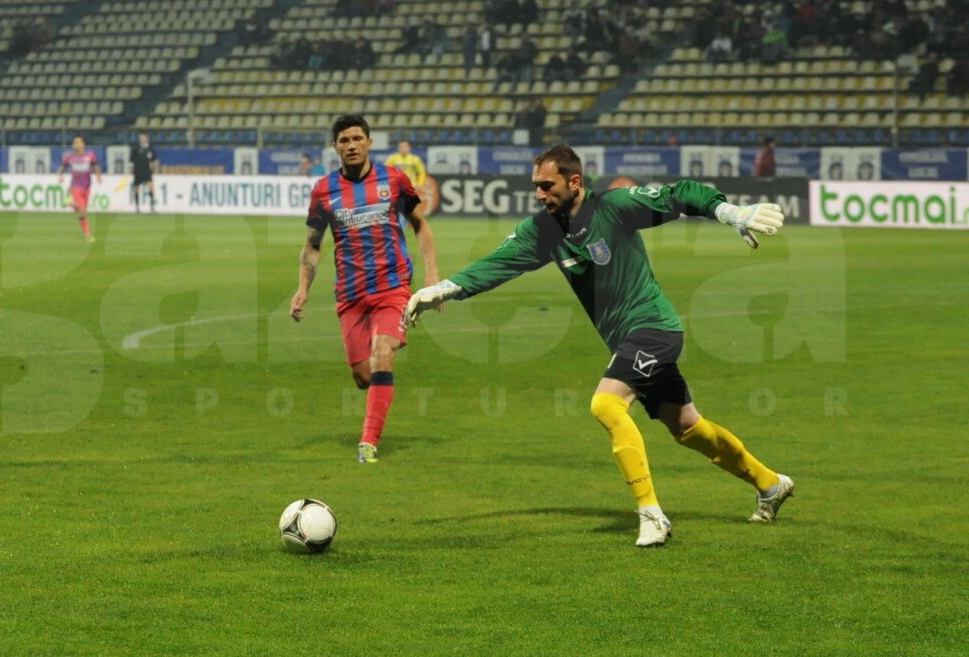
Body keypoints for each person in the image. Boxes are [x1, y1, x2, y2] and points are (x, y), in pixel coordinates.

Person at [405, 144, 793, 547]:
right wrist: (443, 289)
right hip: (628, 338)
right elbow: (497, 264)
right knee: (688, 427)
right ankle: (769, 484)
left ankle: (651, 514)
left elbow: (679, 194)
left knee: (606, 404)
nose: (539, 194)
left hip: (654, 328)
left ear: (574, 181)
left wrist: (726, 211)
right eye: (535, 186)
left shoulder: (615, 207)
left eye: (547, 185)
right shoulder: (544, 230)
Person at [290, 115, 441, 464]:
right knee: (363, 376)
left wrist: (432, 275)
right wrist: (302, 289)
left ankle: (368, 442)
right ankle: (378, 391)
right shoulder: (324, 190)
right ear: (335, 147)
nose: (352, 145)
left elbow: (420, 224)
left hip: (393, 286)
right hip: (351, 294)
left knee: (382, 353)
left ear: (370, 142)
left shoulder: (394, 179)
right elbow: (313, 245)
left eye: (358, 138)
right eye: (344, 140)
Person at [57, 135, 103, 242]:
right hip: (76, 186)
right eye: (75, 143)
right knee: (82, 211)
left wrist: (99, 176)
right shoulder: (70, 157)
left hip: (87, 186)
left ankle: (70, 204)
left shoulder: (90, 155)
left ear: (83, 144)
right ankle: (87, 234)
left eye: (79, 142)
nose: (77, 145)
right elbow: (62, 167)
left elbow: (95, 166)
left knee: (82, 211)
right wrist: (60, 176)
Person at [130, 132, 157, 213]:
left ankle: (152, 207)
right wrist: (131, 169)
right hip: (137, 170)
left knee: (151, 187)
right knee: (137, 188)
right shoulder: (136, 148)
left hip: (147, 171)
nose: (141, 139)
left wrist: (154, 168)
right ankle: (137, 207)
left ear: (146, 138)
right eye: (140, 137)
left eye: (143, 137)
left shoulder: (150, 149)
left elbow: (153, 160)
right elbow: (131, 159)